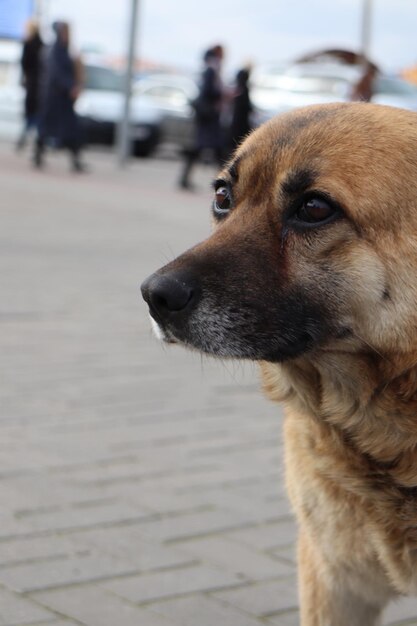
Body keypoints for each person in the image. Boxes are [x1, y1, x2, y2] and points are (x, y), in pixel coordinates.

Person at [34, 21, 86, 172]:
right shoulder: (55, 50)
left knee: (71, 130)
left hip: (62, 99)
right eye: (64, 32)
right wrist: (70, 87)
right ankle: (39, 154)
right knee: (48, 129)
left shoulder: (65, 50)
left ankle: (75, 161)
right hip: (55, 98)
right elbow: (56, 74)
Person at [179, 45, 226, 190]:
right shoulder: (211, 71)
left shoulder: (209, 70)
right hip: (208, 117)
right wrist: (222, 94)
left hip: (207, 117)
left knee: (207, 148)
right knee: (208, 148)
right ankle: (224, 183)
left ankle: (223, 182)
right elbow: (208, 92)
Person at [16, 20, 44, 151]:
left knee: (31, 114)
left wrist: (24, 79)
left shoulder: (28, 44)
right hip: (40, 85)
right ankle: (37, 142)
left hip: (32, 83)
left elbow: (24, 64)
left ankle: (27, 140)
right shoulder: (42, 44)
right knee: (36, 114)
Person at [228, 66, 254, 153]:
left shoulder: (238, 89)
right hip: (241, 122)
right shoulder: (244, 89)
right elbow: (246, 105)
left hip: (237, 121)